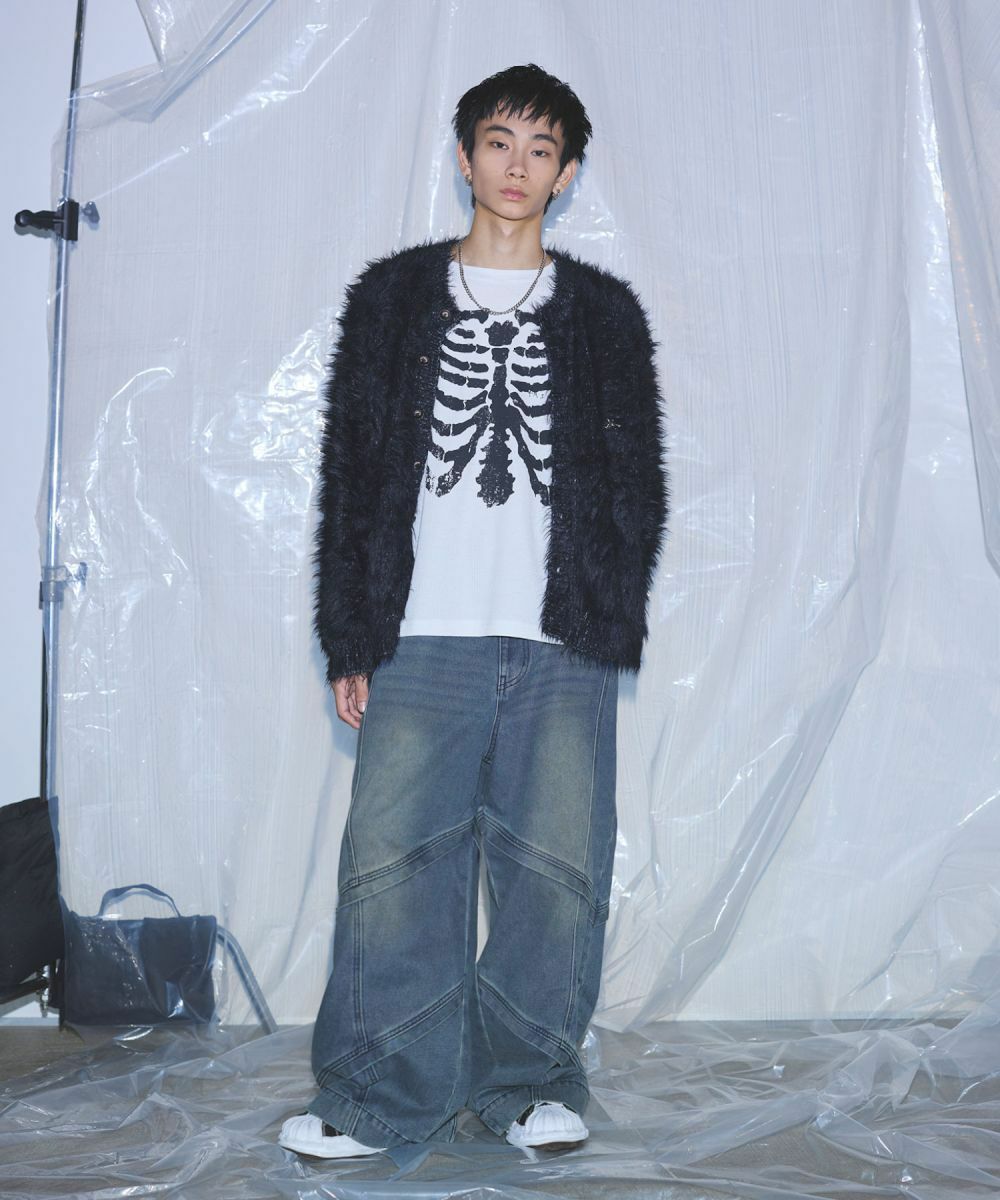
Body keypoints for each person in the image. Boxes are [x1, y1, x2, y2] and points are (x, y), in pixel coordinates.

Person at [279, 62, 669, 1159]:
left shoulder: (603, 313)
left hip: (559, 642)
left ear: (567, 173)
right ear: (464, 155)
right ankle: (372, 1095)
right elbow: (353, 473)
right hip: (421, 633)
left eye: (542, 149)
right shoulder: (392, 299)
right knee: (392, 867)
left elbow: (635, 482)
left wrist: (607, 612)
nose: (517, 166)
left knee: (556, 871)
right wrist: (351, 634)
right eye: (499, 141)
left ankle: (530, 1086)